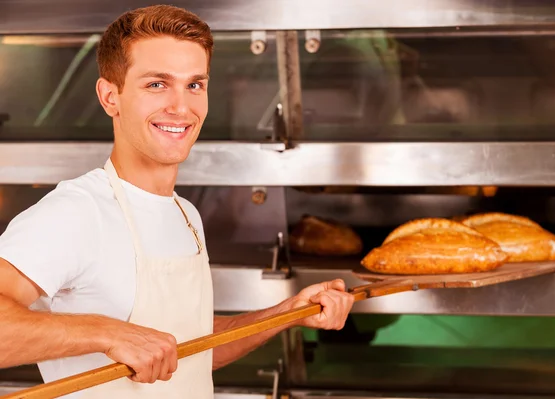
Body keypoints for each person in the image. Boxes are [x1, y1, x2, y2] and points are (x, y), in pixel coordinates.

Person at [0, 5, 354, 398]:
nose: (181, 107)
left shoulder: (186, 215)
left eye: (194, 85)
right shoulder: (76, 212)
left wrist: (285, 314)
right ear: (109, 97)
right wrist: (108, 333)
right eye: (157, 84)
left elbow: (189, 350)